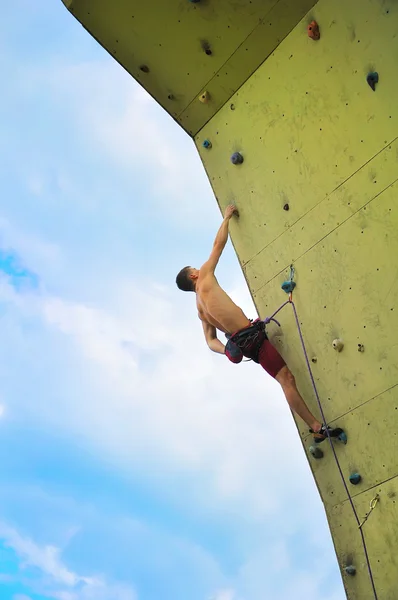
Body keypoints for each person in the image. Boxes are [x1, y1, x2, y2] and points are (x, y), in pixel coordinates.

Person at [176, 204, 344, 444]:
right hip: (251, 337)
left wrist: (226, 350)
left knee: (284, 379)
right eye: (195, 268)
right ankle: (316, 427)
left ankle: (315, 427)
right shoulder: (204, 277)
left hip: (245, 344)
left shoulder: (199, 310)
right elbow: (217, 246)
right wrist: (226, 218)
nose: (198, 268)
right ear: (193, 275)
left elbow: (210, 341)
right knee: (286, 379)